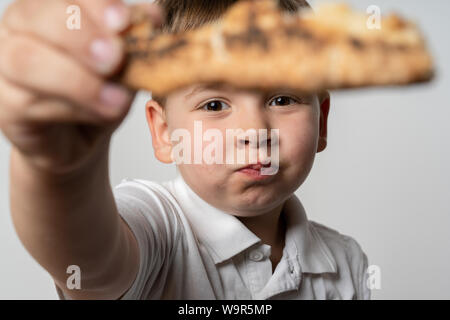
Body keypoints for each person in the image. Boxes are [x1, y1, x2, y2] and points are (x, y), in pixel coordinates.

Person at [0, 0, 370, 299]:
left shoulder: (346, 263)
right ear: (164, 132)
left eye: (282, 98)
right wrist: (59, 169)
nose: (256, 132)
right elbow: (87, 260)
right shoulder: (157, 226)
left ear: (321, 120)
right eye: (214, 105)